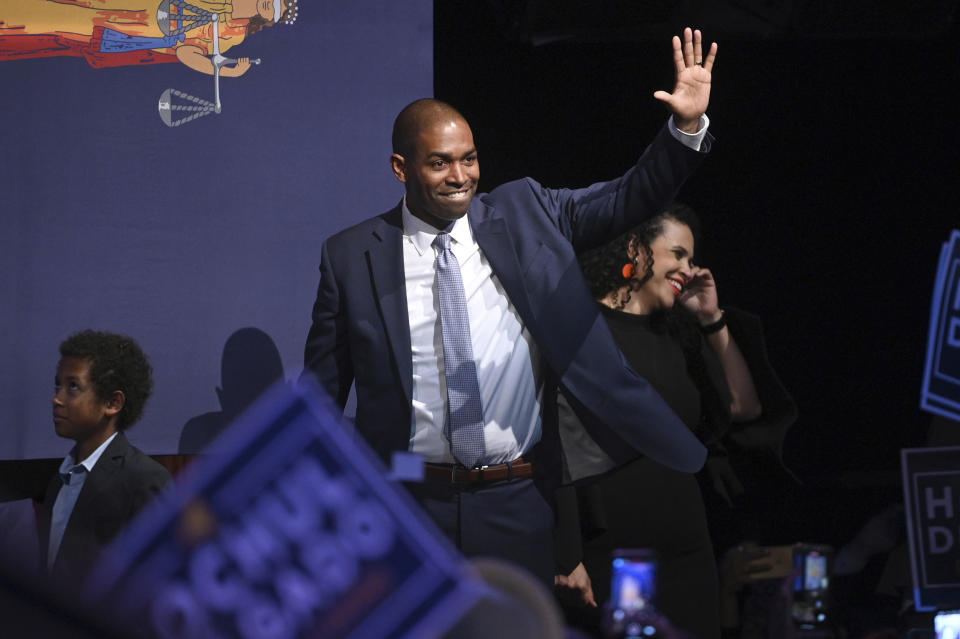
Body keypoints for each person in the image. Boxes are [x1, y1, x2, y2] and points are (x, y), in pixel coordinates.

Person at [303, 29, 717, 586]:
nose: (460, 177)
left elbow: (630, 195)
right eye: (440, 163)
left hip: (517, 500)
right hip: (403, 506)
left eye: (469, 159)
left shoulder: (528, 213)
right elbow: (321, 400)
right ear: (402, 168)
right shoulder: (351, 256)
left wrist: (684, 128)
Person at [554, 204, 795, 638]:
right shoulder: (578, 327)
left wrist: (710, 320)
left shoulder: (677, 334)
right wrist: (567, 554)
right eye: (678, 254)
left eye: (692, 258)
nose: (690, 267)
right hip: (610, 551)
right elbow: (553, 444)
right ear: (636, 248)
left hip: (686, 550)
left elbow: (742, 407)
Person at [38, 329, 171, 582]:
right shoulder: (59, 481)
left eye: (73, 387)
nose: (57, 399)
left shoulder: (144, 479)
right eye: (58, 384)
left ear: (113, 403)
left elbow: (159, 578)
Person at [0, 0, 296, 72]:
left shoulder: (232, 37)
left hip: (131, 28)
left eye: (272, 8)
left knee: (56, 24)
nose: (267, 3)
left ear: (266, 19)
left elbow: (185, 53)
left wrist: (227, 72)